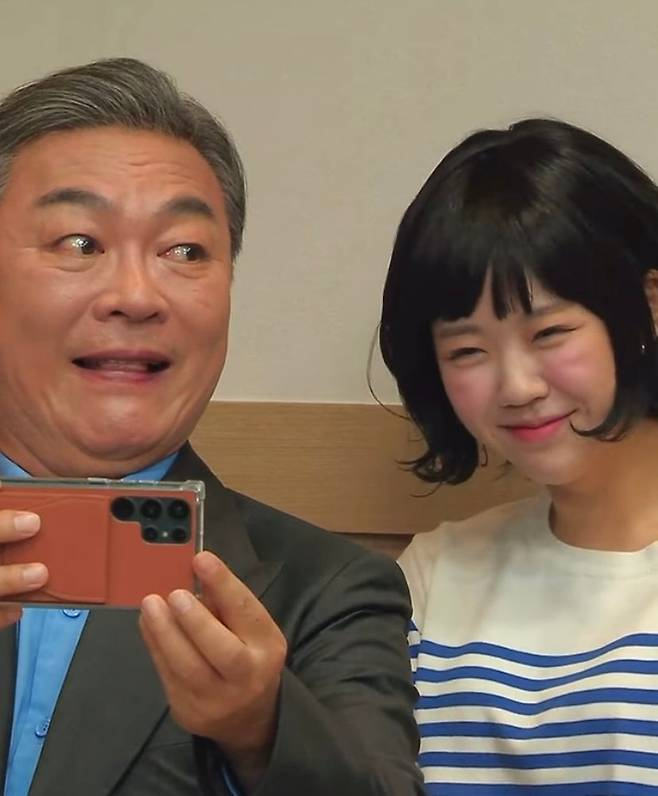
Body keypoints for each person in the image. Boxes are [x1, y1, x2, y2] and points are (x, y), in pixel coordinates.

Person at [0, 58, 422, 796]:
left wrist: (262, 729)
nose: (137, 295)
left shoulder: (332, 591)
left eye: (185, 251)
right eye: (80, 243)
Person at [380, 118, 658, 794]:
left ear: (650, 307)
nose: (517, 387)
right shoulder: (433, 575)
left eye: (550, 332)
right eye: (467, 349)